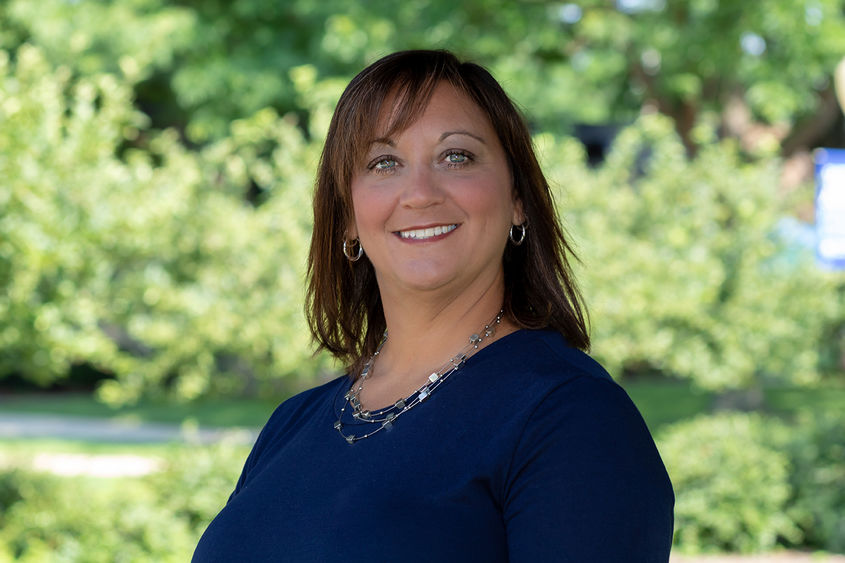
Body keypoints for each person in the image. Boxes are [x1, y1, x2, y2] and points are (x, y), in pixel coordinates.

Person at [193, 49, 674, 562]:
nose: (419, 193)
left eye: (456, 157)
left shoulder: (574, 419)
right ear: (349, 219)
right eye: (384, 163)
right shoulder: (293, 424)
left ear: (517, 199)